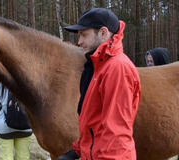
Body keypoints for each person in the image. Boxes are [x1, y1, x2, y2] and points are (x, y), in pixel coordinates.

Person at [58, 8, 141, 160]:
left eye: (84, 35)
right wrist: (76, 151)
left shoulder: (117, 68)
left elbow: (116, 133)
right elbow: (94, 124)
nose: (79, 41)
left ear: (103, 33)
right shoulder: (98, 67)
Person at [0, 83, 32, 160]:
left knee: (6, 157)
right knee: (23, 157)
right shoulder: (29, 81)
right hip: (26, 126)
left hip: (4, 127)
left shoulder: (1, 84)